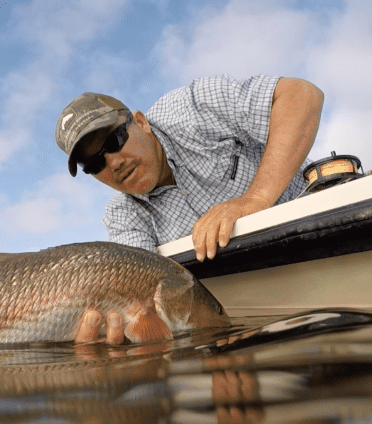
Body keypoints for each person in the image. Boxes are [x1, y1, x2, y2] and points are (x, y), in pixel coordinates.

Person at [56, 75, 324, 344]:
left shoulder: (191, 109)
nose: (113, 163)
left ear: (140, 122)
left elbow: (302, 95)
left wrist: (255, 198)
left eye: (114, 141)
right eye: (94, 164)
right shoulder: (121, 217)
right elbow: (141, 306)